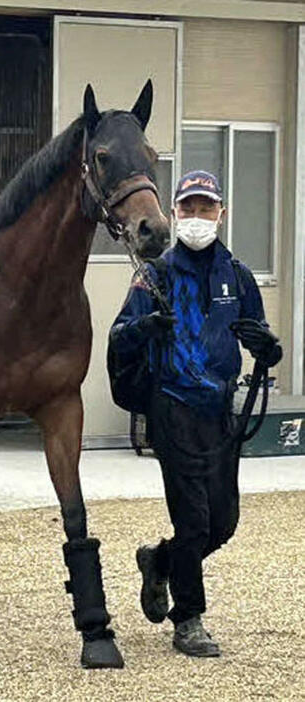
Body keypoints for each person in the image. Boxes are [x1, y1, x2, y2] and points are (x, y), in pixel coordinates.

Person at [109, 170, 282, 657]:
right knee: (194, 523)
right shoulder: (154, 274)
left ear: (221, 214)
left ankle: (159, 561)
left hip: (219, 412)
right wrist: (145, 326)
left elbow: (258, 337)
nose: (198, 217)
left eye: (207, 208)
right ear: (175, 214)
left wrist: (270, 349)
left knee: (222, 524)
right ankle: (189, 620)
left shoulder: (239, 276)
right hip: (172, 407)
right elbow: (118, 338)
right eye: (189, 208)